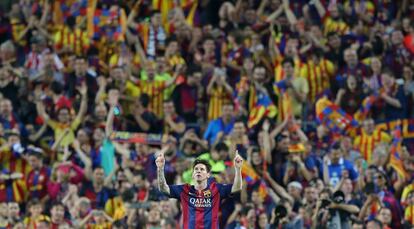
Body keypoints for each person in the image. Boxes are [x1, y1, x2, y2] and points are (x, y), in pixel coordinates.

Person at [156, 147, 243, 229]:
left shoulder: (216, 189)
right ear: (193, 175)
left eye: (202, 169)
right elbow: (163, 189)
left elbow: (237, 187)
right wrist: (160, 169)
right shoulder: (184, 189)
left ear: (208, 174)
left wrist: (238, 169)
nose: (198, 171)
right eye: (196, 169)